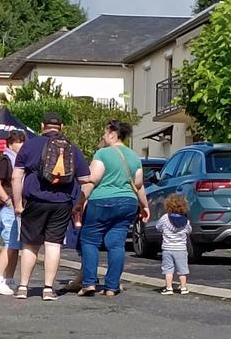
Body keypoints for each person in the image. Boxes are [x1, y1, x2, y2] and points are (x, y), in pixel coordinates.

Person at [12, 112, 91, 300]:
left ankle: (23, 287)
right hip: (62, 202)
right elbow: (86, 180)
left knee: (30, 244)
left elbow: (16, 177)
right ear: (61, 128)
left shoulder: (29, 145)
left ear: (42, 126)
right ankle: (48, 289)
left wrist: (17, 204)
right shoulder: (72, 148)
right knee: (53, 244)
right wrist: (79, 203)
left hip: (35, 200)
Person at [74, 119, 150, 297]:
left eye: (105, 132)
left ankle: (89, 283)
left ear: (113, 134)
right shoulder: (134, 157)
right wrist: (144, 206)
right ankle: (112, 286)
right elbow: (138, 185)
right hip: (128, 203)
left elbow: (93, 179)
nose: (103, 135)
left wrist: (79, 203)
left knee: (89, 239)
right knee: (116, 244)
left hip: (102, 201)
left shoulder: (103, 154)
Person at [0, 130, 26, 295]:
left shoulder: (18, 161)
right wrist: (7, 200)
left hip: (16, 206)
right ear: (11, 143)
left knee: (15, 245)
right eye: (19, 142)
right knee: (10, 242)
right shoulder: (6, 160)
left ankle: (8, 279)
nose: (22, 145)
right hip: (9, 206)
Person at [156, 195, 191, 295]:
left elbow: (158, 227)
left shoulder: (165, 218)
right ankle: (183, 288)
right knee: (182, 270)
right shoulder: (186, 221)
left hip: (167, 248)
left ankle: (169, 288)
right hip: (181, 249)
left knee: (168, 270)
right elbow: (189, 231)